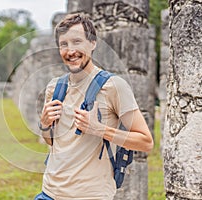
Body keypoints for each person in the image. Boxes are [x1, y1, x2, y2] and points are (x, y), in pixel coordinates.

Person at [35, 13, 153, 200]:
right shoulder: (54, 87)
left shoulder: (114, 86)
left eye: (77, 42)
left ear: (92, 43)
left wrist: (99, 129)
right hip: (49, 192)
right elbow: (52, 141)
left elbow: (145, 142)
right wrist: (44, 124)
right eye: (64, 44)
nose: (70, 50)